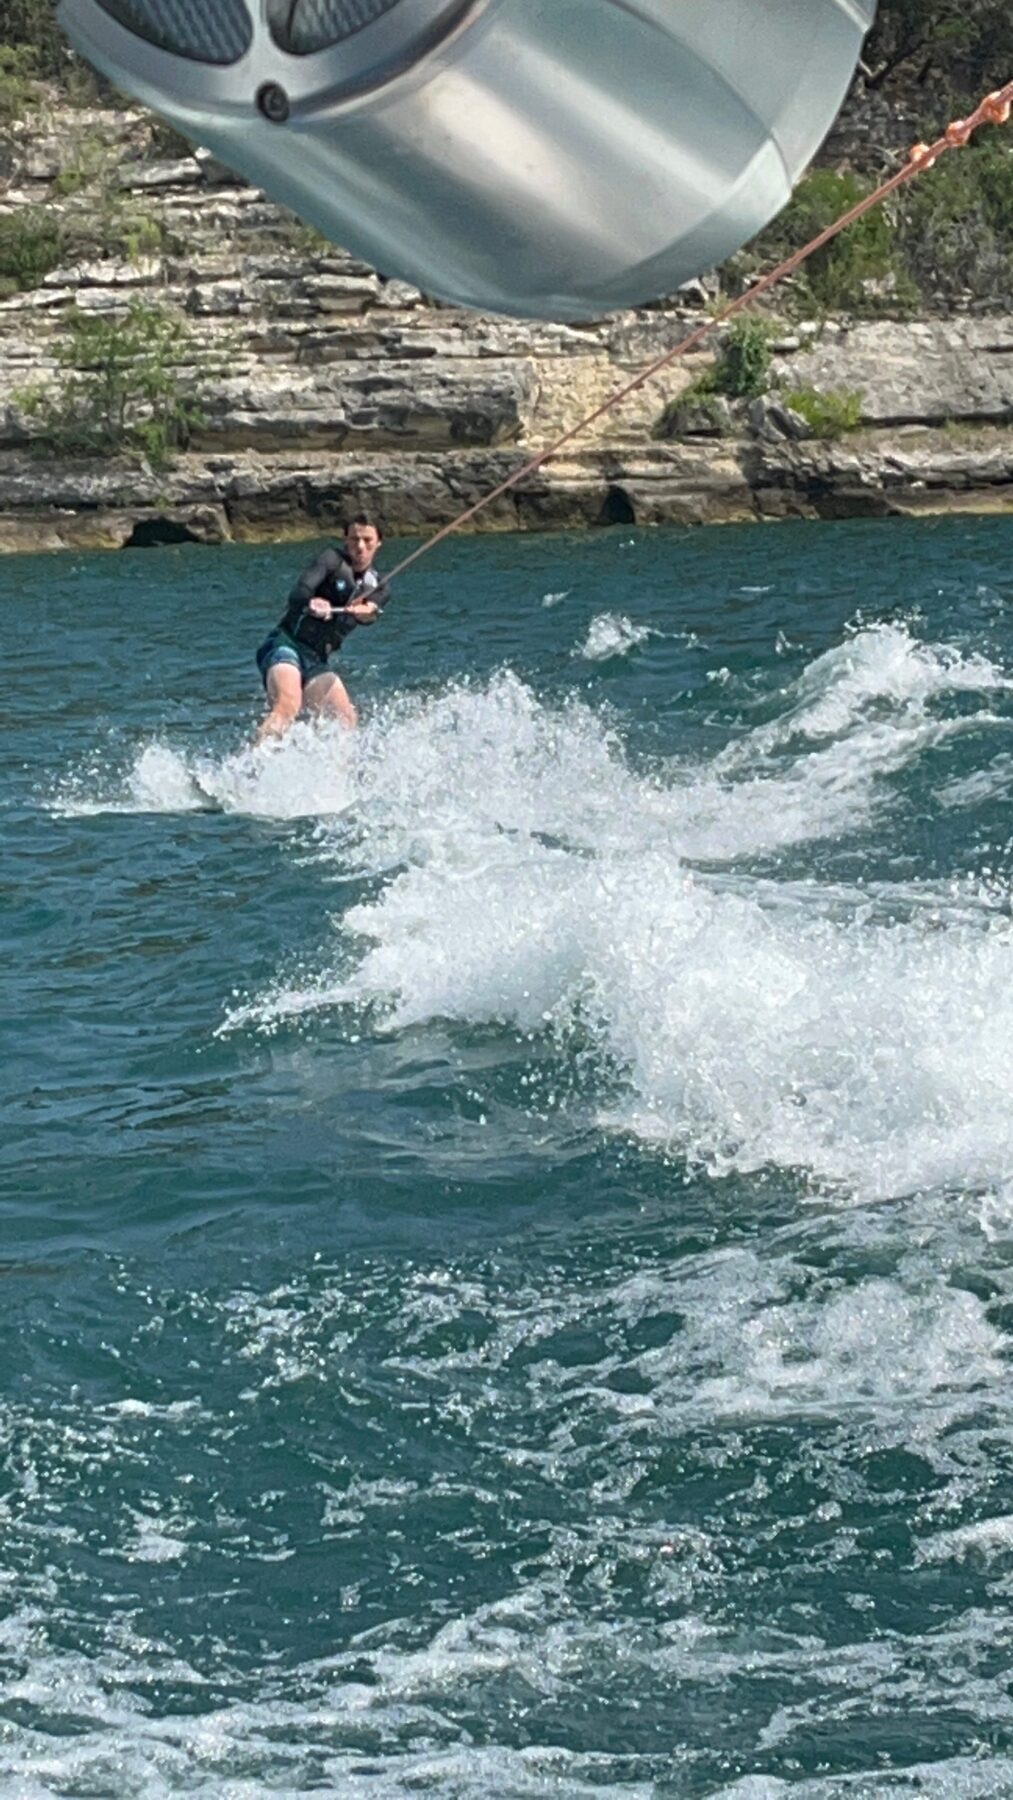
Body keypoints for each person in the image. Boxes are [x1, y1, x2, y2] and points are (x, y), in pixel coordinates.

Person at [255, 514, 389, 738]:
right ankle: (252, 766)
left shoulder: (379, 585)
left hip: (316, 660)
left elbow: (372, 612)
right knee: (288, 705)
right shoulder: (331, 560)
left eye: (367, 540)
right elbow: (298, 593)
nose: (360, 547)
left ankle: (335, 772)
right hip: (286, 645)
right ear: (345, 540)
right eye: (354, 539)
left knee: (346, 720)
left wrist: (366, 612)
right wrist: (312, 602)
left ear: (378, 543)